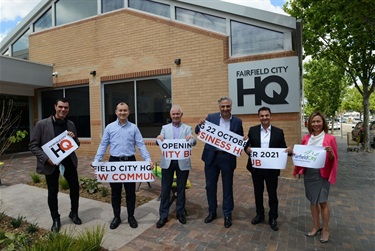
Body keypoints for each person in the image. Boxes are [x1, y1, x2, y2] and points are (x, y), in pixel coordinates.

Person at [93, 101, 153, 230]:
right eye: (120, 110)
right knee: (115, 192)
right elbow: (103, 145)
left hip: (130, 162)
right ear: (116, 112)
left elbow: (141, 145)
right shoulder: (109, 127)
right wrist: (96, 160)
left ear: (129, 112)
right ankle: (117, 217)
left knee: (130, 192)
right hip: (114, 162)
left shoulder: (134, 128)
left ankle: (131, 216)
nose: (122, 113)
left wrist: (148, 159)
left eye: (125, 110)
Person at [29, 98, 81, 232]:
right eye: (61, 107)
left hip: (68, 161)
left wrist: (73, 138)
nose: (63, 110)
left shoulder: (70, 124)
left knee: (75, 188)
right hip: (51, 164)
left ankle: (73, 213)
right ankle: (56, 219)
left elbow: (77, 144)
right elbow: (33, 145)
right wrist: (46, 159)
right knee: (53, 192)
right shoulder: (41, 124)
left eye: (66, 108)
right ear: (55, 107)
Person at [195, 97, 244, 228]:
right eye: (223, 106)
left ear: (231, 107)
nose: (225, 109)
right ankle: (212, 212)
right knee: (210, 186)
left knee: (227, 187)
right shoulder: (211, 117)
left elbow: (240, 140)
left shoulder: (237, 122)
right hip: (211, 157)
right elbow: (198, 131)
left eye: (227, 106)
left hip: (227, 158)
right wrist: (199, 125)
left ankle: (227, 214)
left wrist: (244, 140)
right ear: (219, 107)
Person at [244, 106, 292, 231]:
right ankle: (259, 214)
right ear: (259, 117)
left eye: (266, 115)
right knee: (258, 193)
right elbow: (247, 146)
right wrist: (247, 149)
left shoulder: (278, 132)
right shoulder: (252, 130)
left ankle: (273, 217)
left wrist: (289, 151)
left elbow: (283, 148)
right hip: (257, 169)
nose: (264, 117)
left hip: (272, 169)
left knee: (272, 194)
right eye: (262, 115)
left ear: (270, 116)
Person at [293, 111, 338, 243]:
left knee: (323, 202)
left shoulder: (330, 139)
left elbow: (334, 159)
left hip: (322, 173)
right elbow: (301, 154)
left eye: (318, 121)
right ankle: (316, 226)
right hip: (309, 173)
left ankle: (325, 229)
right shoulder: (306, 138)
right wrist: (292, 152)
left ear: (323, 122)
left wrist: (330, 153)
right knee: (313, 201)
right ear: (310, 124)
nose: (316, 124)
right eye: (313, 121)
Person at [155, 105, 196, 228]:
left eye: (178, 114)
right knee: (165, 189)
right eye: (173, 114)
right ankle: (163, 215)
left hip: (182, 162)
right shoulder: (164, 128)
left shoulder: (188, 128)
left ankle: (180, 213)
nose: (175, 116)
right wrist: (159, 138)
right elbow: (159, 141)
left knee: (181, 189)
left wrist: (191, 139)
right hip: (168, 162)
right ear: (170, 115)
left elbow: (193, 142)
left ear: (181, 115)